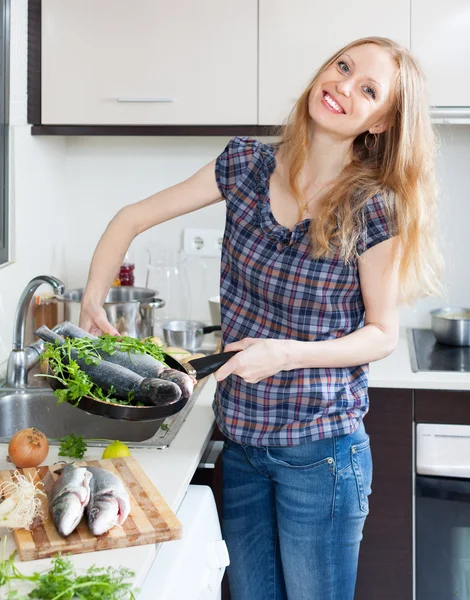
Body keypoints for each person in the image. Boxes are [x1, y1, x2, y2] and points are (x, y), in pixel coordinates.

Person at [79, 36, 441, 600]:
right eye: (342, 67)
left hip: (320, 453)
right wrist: (92, 298)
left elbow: (381, 334)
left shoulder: (372, 206)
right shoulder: (245, 165)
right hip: (243, 445)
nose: (344, 86)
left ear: (380, 123)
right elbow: (131, 217)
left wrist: (286, 353)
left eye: (367, 89)